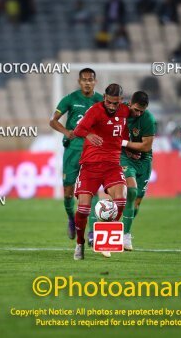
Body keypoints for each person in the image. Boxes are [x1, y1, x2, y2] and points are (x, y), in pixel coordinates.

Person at [72, 84, 129, 260]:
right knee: (83, 209)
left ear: (121, 100)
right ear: (104, 97)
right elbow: (78, 129)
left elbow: (125, 132)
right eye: (109, 102)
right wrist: (89, 135)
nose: (112, 106)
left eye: (116, 103)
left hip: (112, 165)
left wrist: (129, 150)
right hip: (91, 165)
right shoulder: (95, 111)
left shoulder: (125, 111)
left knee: (121, 199)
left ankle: (104, 240)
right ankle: (80, 243)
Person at [49, 68, 103, 241]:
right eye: (84, 79)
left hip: (92, 151)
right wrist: (66, 132)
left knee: (93, 190)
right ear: (79, 82)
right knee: (68, 192)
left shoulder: (100, 101)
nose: (87, 82)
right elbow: (53, 121)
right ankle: (71, 219)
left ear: (95, 81)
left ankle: (93, 230)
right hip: (72, 150)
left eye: (90, 79)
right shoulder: (70, 99)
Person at [117, 91, 156, 251]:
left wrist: (124, 143)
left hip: (144, 162)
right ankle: (125, 236)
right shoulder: (120, 114)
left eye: (142, 110)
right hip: (125, 159)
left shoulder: (148, 119)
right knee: (131, 190)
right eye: (136, 109)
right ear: (129, 103)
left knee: (137, 201)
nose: (138, 113)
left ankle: (125, 230)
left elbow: (146, 146)